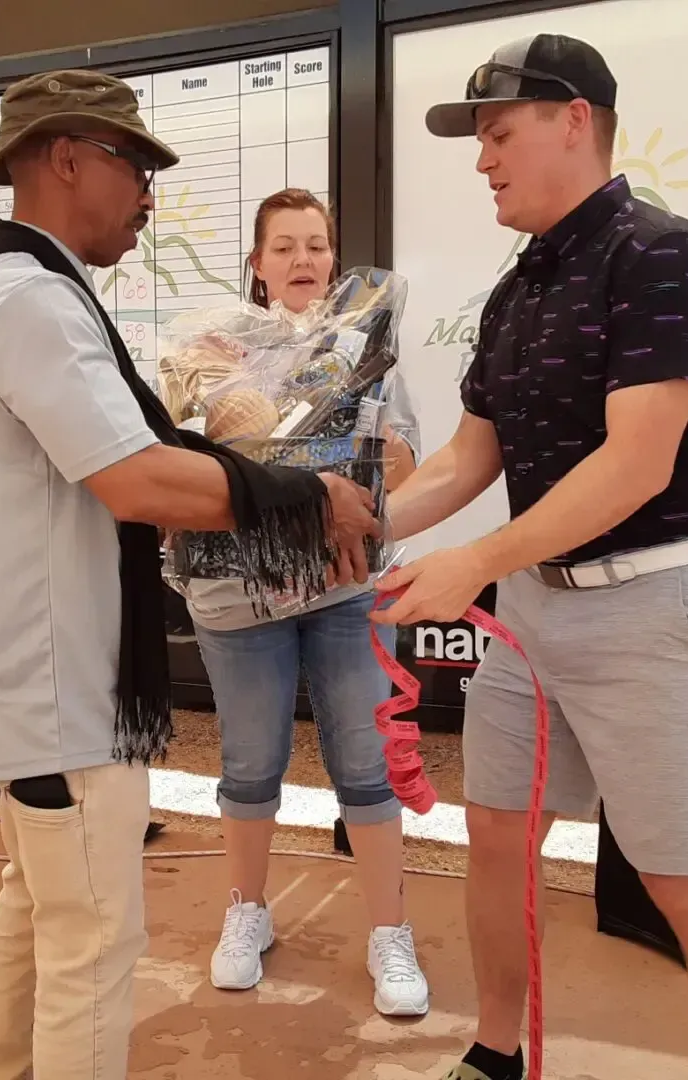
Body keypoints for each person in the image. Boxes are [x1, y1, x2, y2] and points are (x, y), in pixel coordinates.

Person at [0, 70, 380, 1080]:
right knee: (91, 944)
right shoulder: (30, 303)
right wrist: (309, 498)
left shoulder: (19, 292)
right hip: (59, 689)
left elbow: (142, 455)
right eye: (135, 164)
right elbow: (136, 478)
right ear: (65, 157)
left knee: (40, 919)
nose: (148, 194)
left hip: (45, 683)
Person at [373, 34, 688, 1080]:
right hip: (535, 612)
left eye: (499, 134)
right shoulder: (517, 289)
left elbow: (637, 465)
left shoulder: (664, 256)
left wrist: (474, 561)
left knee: (685, 882)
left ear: (574, 121)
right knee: (498, 838)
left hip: (656, 607)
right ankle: (495, 1053)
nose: (482, 161)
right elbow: (468, 458)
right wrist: (357, 533)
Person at [163, 188, 430, 1016]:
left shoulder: (366, 348)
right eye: (283, 247)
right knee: (250, 763)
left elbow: (409, 471)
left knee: (366, 763)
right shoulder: (209, 354)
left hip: (345, 587)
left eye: (316, 244)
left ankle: (389, 930)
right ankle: (246, 911)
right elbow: (183, 467)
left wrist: (371, 433)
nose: (302, 260)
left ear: (334, 259)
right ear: (257, 265)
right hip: (237, 597)